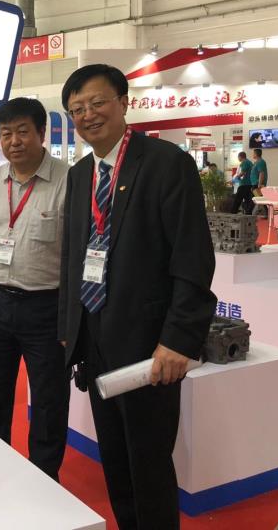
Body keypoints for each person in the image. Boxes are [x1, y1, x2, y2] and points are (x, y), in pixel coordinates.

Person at [58, 64, 216, 529]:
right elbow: (73, 258)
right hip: (95, 339)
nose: (88, 115)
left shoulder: (166, 163)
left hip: (149, 345)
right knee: (115, 460)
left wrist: (178, 340)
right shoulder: (80, 174)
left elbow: (192, 259)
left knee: (148, 464)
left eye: (97, 103)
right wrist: (71, 333)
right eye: (77, 109)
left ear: (124, 103)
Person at [0, 97, 70, 481]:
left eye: (23, 131)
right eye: (6, 133)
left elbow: (78, 252)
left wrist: (72, 316)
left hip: (48, 306)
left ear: (42, 133)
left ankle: (44, 478)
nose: (14, 141)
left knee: (48, 399)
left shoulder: (69, 180)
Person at [251, 147, 268, 218]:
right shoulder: (256, 162)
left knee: (260, 199)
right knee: (258, 199)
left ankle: (266, 213)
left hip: (258, 184)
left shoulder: (261, 162)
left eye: (253, 153)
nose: (252, 155)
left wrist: (259, 184)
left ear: (256, 154)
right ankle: (264, 213)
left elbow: (261, 173)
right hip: (254, 183)